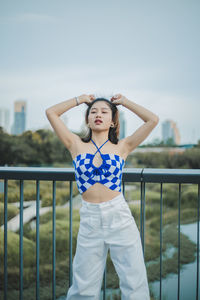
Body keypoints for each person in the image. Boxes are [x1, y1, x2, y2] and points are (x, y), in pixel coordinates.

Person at [45, 93, 159, 300]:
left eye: (104, 112)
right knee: (83, 287)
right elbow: (51, 112)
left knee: (134, 282)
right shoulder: (75, 144)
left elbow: (153, 120)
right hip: (90, 218)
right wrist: (79, 100)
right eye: (93, 111)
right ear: (87, 119)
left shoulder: (123, 146)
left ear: (113, 121)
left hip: (119, 215)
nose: (98, 114)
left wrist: (124, 102)